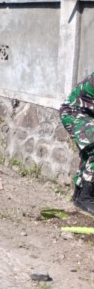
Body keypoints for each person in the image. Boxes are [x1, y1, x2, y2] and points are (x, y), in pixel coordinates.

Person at [60, 71, 94, 215]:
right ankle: (86, 197)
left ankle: (78, 195)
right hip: (74, 112)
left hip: (88, 114)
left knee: (89, 151)